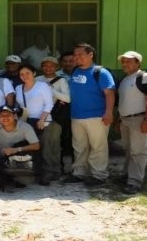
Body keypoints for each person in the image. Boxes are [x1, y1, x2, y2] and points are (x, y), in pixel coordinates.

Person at [65, 43, 115, 186]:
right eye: (75, 55)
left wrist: (109, 112)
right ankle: (79, 173)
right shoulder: (75, 70)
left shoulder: (101, 72)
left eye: (80, 54)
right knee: (79, 146)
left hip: (97, 116)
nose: (77, 57)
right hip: (76, 116)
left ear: (90, 55)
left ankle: (99, 175)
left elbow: (109, 93)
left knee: (98, 146)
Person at [116, 51, 147, 194]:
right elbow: (123, 101)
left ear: (138, 63)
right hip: (125, 120)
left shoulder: (145, 77)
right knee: (129, 150)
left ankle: (134, 182)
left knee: (138, 151)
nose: (125, 64)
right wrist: (118, 120)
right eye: (123, 61)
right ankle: (128, 175)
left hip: (139, 119)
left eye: (128, 61)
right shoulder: (125, 79)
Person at [0, 105, 40, 191]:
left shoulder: (25, 127)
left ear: (14, 116)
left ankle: (12, 179)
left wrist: (16, 150)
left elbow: (36, 146)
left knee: (25, 181)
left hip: (19, 160)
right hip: (2, 159)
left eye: (8, 115)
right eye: (2, 115)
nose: (5, 118)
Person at [34, 58, 68, 185]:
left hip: (55, 117)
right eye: (45, 66)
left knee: (53, 144)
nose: (48, 68)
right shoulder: (37, 79)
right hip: (38, 116)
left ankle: (54, 170)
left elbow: (68, 98)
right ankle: (44, 169)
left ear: (57, 67)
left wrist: (50, 89)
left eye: (51, 66)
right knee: (42, 143)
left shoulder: (61, 80)